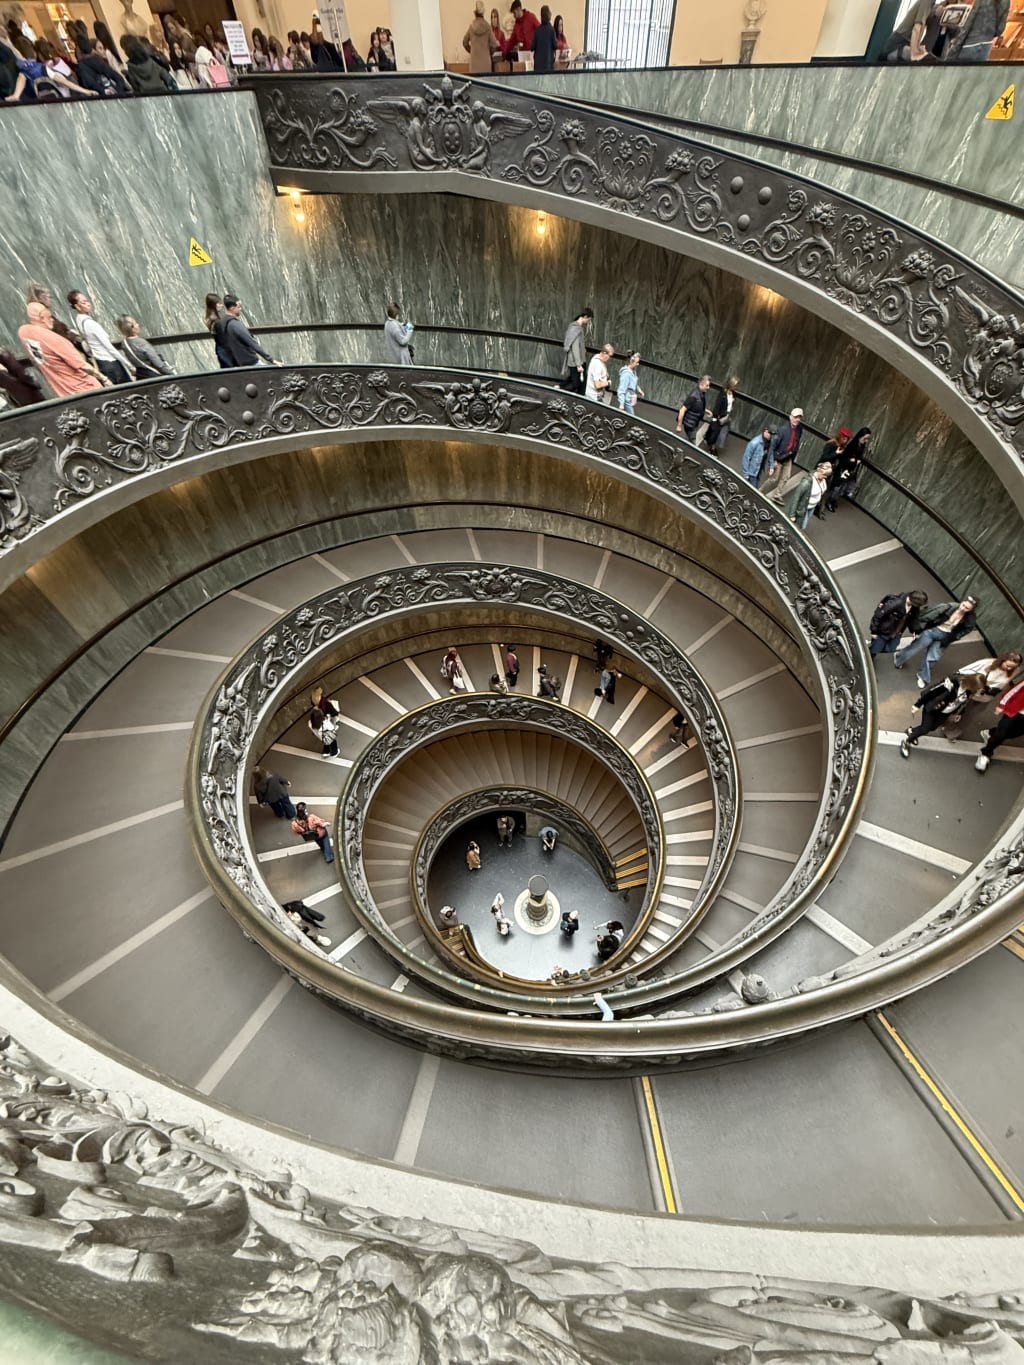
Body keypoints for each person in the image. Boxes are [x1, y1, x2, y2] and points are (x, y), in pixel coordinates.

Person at [18, 303, 104, 398]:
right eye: (50, 317)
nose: (52, 320)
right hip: (86, 389)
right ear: (42, 318)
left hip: (63, 393)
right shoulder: (55, 340)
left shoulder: (24, 332)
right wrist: (104, 379)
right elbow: (83, 365)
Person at [894, 596, 980, 688]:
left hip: (946, 636)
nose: (963, 608)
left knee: (933, 656)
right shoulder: (948, 607)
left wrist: (954, 637)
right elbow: (928, 616)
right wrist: (918, 630)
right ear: (962, 601)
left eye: (967, 608)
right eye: (963, 605)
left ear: (971, 610)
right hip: (932, 630)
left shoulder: (969, 619)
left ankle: (922, 676)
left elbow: (966, 630)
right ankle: (898, 658)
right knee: (916, 647)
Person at [899, 671, 988, 758]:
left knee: (932, 727)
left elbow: (963, 703)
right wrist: (918, 704)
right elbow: (932, 692)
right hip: (933, 708)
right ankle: (907, 741)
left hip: (945, 712)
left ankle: (911, 731)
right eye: (978, 689)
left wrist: (959, 713)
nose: (979, 692)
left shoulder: (969, 692)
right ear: (972, 685)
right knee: (925, 729)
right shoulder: (952, 683)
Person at [67, 290, 134, 385]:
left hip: (100, 362)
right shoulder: (91, 324)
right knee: (129, 390)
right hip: (111, 364)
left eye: (87, 301)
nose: (88, 304)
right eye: (83, 302)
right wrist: (129, 365)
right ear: (77, 306)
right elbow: (109, 347)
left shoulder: (79, 321)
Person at [976, 677, 1024, 772]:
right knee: (1002, 732)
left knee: (1013, 733)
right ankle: (986, 754)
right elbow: (1015, 690)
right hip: (1015, 711)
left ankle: (990, 733)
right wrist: (1002, 705)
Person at [868, 589, 929, 663]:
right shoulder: (895, 603)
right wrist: (874, 631)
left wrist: (916, 631)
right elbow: (878, 615)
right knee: (875, 650)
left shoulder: (914, 607)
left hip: (897, 632)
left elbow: (914, 619)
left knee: (890, 649)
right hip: (883, 632)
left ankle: (872, 645)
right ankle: (868, 660)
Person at [759, 408, 804, 500]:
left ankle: (778, 494)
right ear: (790, 417)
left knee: (786, 476)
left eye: (799, 417)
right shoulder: (783, 430)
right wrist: (773, 460)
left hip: (788, 456)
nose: (797, 419)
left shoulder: (799, 429)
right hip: (779, 457)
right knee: (774, 479)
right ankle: (760, 490)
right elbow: (773, 445)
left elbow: (796, 441)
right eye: (795, 417)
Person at [222, 295, 280, 367]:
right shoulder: (235, 325)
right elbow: (252, 343)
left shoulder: (223, 323)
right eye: (239, 306)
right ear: (232, 308)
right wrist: (271, 360)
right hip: (251, 362)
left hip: (238, 363)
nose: (241, 309)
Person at [826, 425, 870, 512]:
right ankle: (830, 501)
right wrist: (853, 461)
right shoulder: (852, 445)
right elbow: (844, 459)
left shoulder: (861, 445)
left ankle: (833, 500)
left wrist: (855, 461)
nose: (866, 441)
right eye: (865, 438)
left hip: (849, 470)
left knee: (842, 486)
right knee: (837, 486)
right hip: (843, 469)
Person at [783, 460, 832, 531]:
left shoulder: (823, 480)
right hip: (804, 507)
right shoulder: (807, 482)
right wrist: (791, 515)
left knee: (801, 525)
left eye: (826, 476)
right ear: (819, 471)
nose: (825, 477)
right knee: (802, 526)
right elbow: (796, 497)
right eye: (824, 475)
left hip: (812, 507)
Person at [698, 376, 739, 452]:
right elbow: (717, 406)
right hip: (720, 416)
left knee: (722, 433)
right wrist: (715, 417)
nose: (736, 387)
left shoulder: (733, 393)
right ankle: (712, 448)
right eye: (735, 385)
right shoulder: (723, 393)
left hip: (727, 415)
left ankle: (709, 439)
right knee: (715, 432)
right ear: (731, 384)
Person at [559, 307, 592, 393]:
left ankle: (560, 386)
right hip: (575, 361)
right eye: (589, 319)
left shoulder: (576, 328)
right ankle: (561, 391)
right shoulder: (575, 328)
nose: (589, 322)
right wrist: (579, 364)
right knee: (576, 383)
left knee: (578, 381)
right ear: (585, 316)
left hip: (578, 360)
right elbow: (575, 347)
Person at [464, 1, 499, 72]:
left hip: (474, 64)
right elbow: (494, 45)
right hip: (486, 64)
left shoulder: (471, 27)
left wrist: (472, 51)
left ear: (475, 13)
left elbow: (465, 42)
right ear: (483, 13)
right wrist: (488, 53)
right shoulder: (488, 27)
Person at [204, 294, 234, 368]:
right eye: (219, 303)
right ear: (213, 305)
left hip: (220, 349)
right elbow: (224, 338)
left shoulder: (210, 319)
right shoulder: (217, 322)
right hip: (225, 350)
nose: (222, 305)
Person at [532, 4, 556, 70]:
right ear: (549, 15)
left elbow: (532, 47)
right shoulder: (551, 30)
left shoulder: (537, 30)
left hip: (538, 65)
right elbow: (555, 45)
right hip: (548, 64)